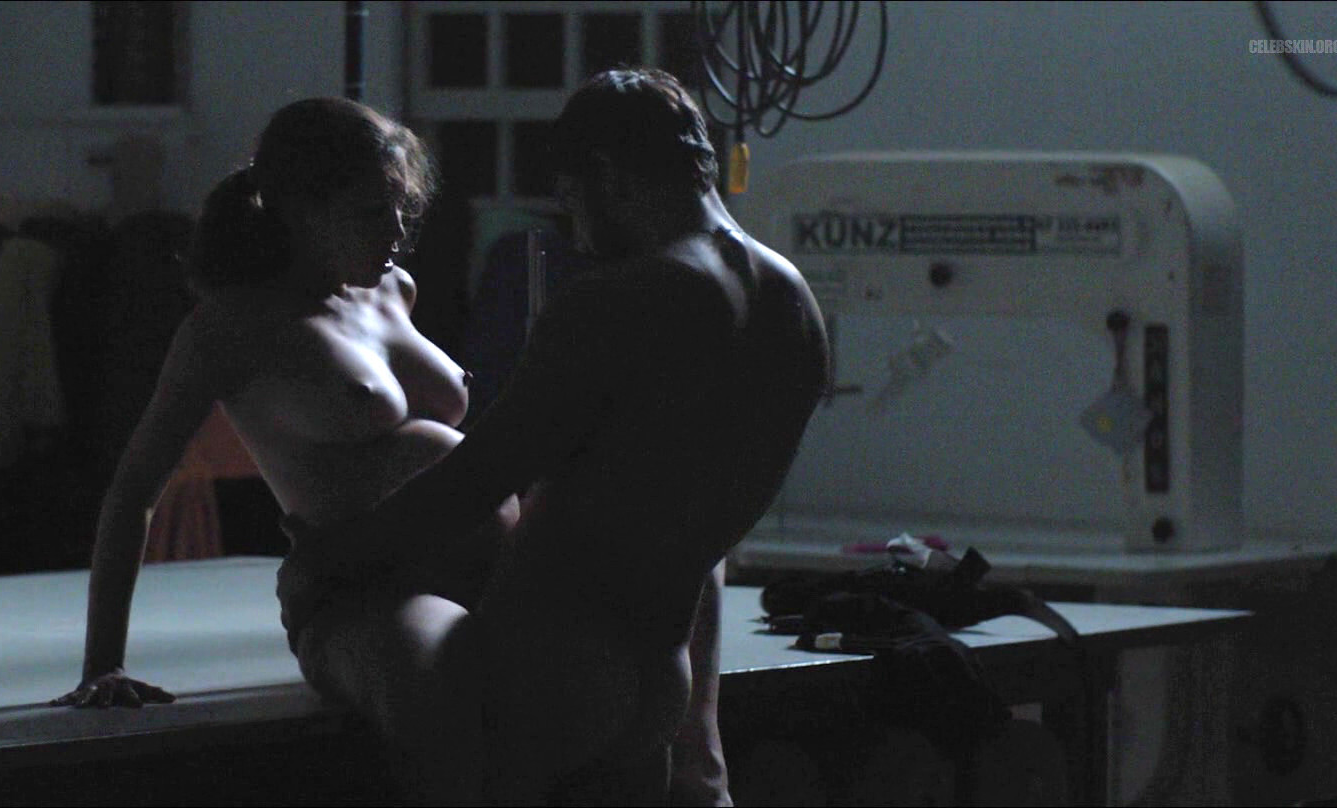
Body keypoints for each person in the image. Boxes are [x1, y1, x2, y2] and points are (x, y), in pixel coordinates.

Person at [283, 68, 833, 805]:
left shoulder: (620, 298)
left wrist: (329, 557)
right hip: (660, 678)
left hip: (551, 664)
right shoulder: (795, 306)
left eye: (573, 201)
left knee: (344, 633)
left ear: (607, 175)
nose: (575, 229)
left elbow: (478, 481)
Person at [50, 97, 516, 805]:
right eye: (371, 212)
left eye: (401, 207)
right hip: (367, 596)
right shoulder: (230, 327)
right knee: (439, 681)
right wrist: (102, 664)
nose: (397, 231)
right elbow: (134, 490)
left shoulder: (395, 291)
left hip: (494, 575)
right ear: (300, 213)